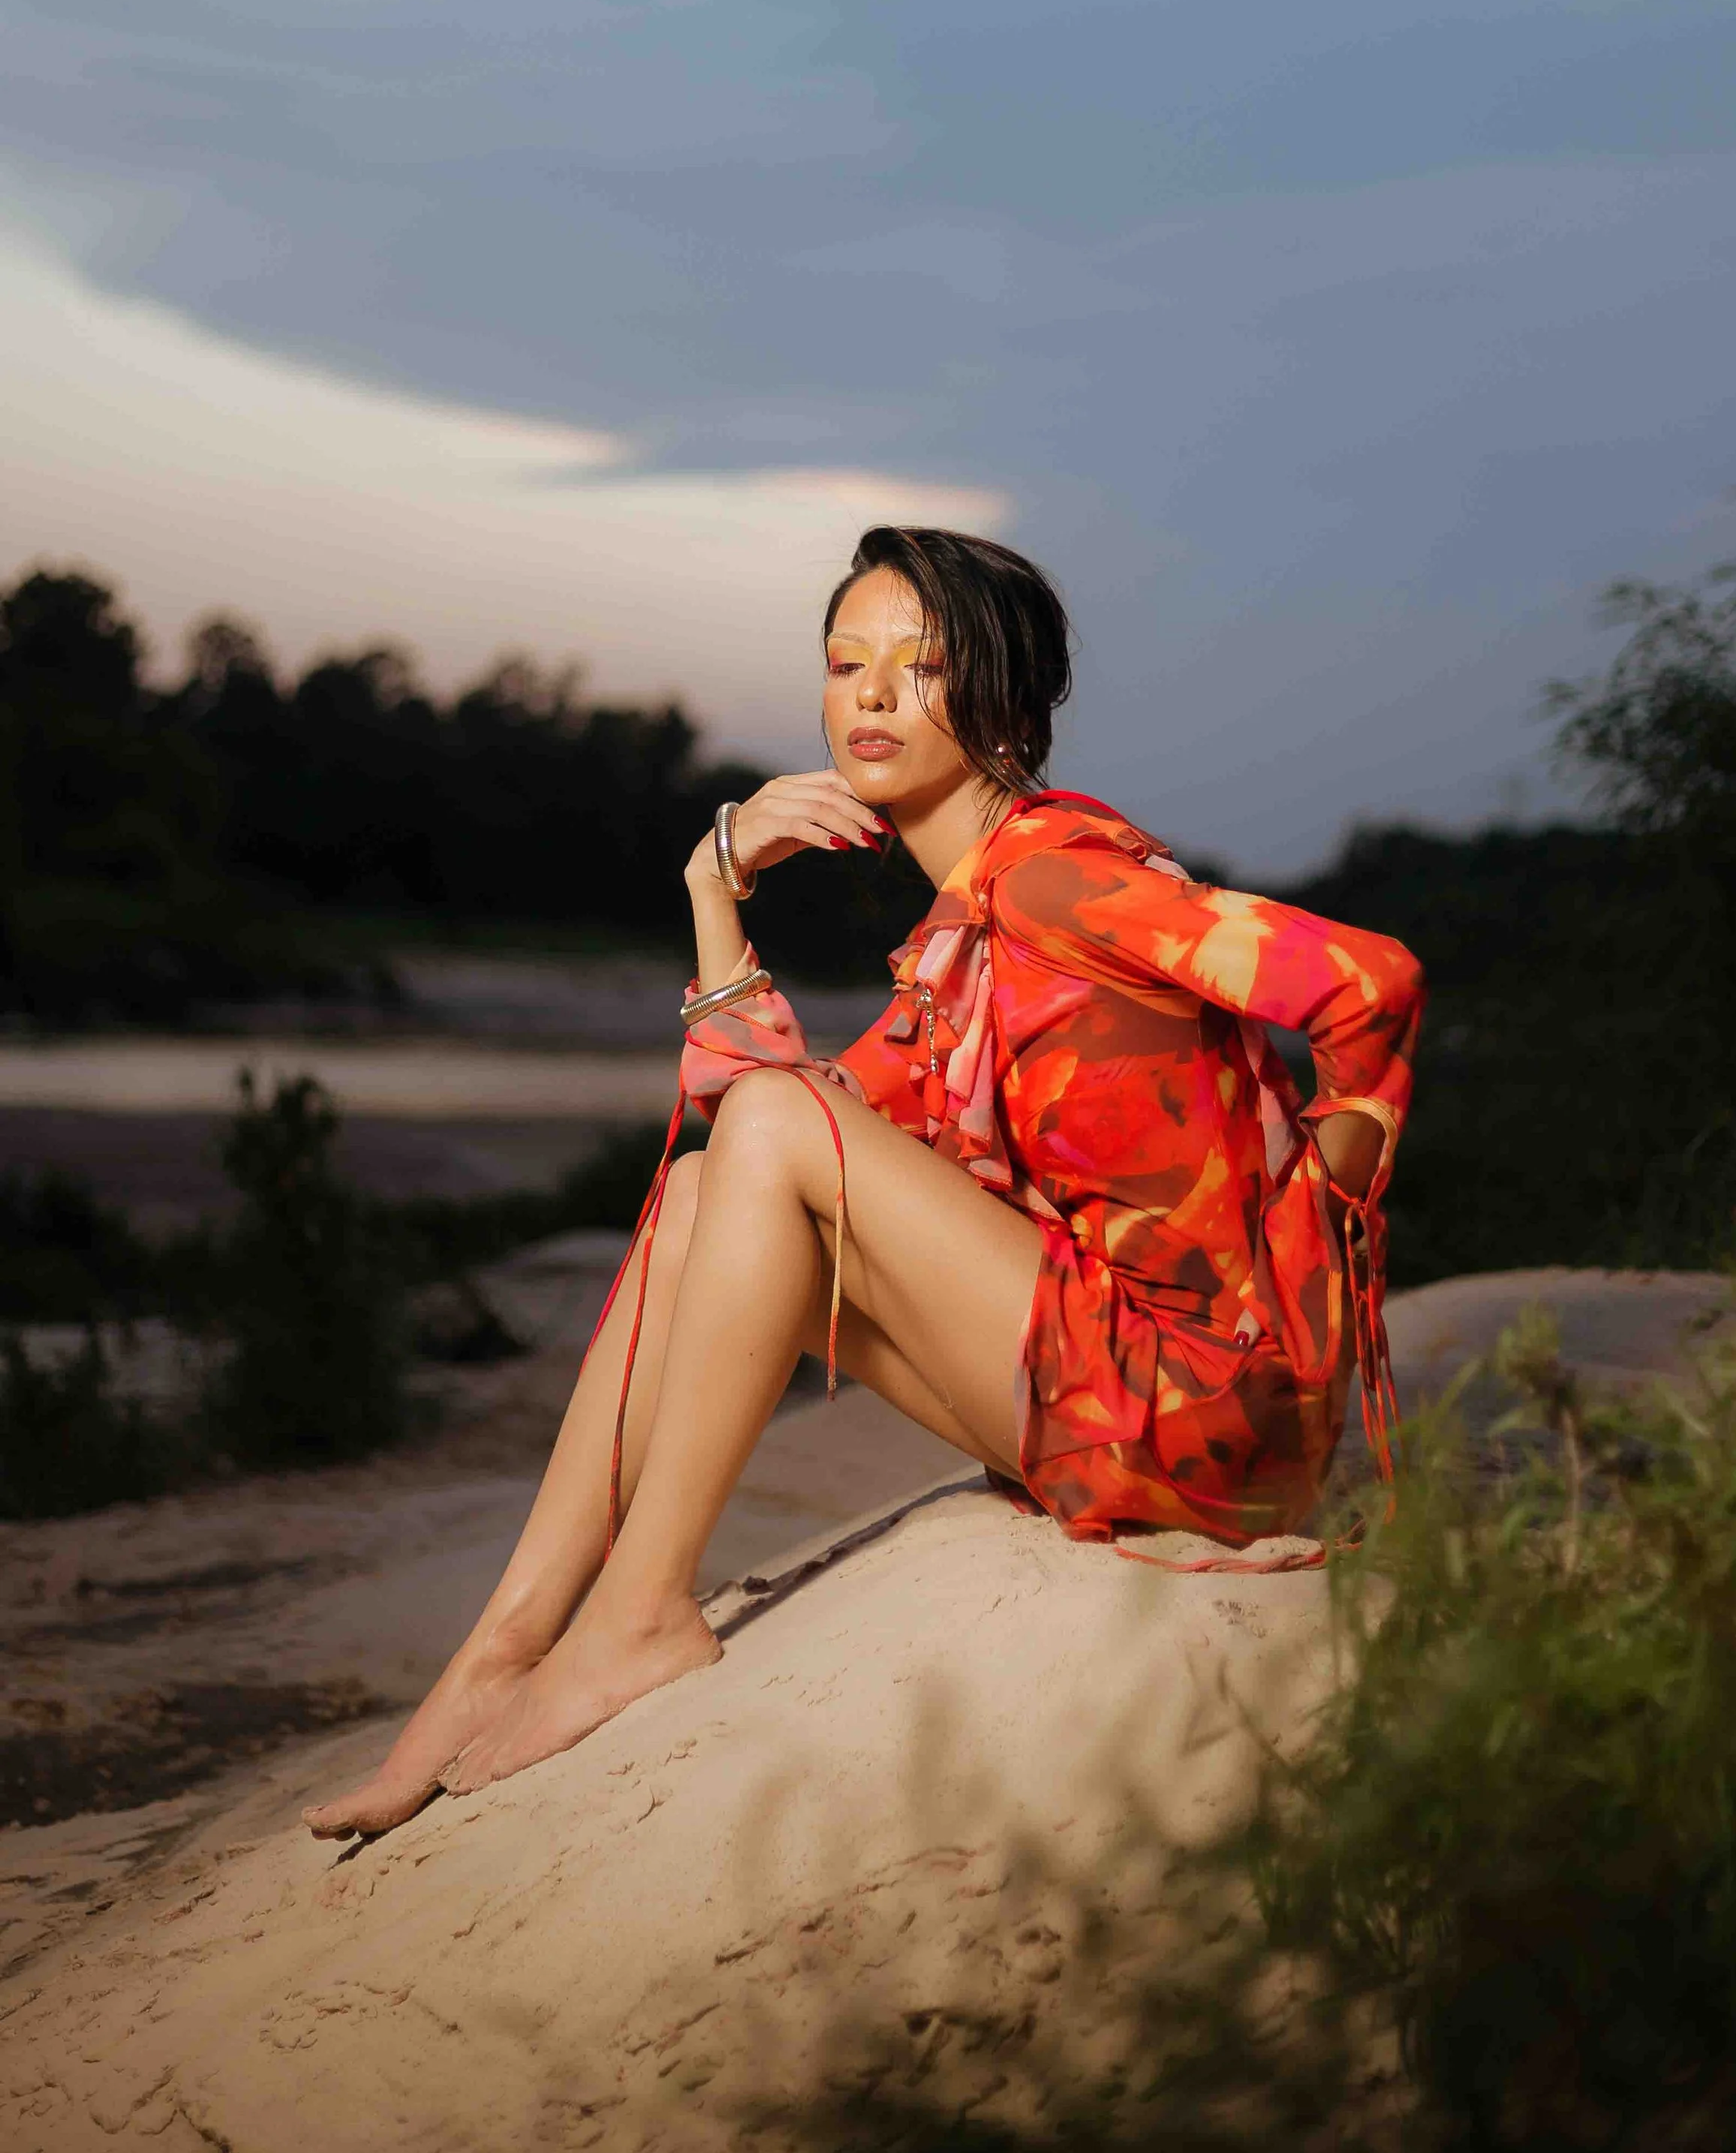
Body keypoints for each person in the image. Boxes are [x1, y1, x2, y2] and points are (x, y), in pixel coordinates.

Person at [305, 527, 1422, 1838]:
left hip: (1209, 1418)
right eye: (848, 663)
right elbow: (759, 1118)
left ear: (1005, 707)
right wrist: (713, 884)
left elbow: (1369, 984)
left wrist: (1311, 1230)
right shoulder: (966, 938)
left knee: (766, 1139)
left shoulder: (1060, 884)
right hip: (1109, 1391)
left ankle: (642, 1612)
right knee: (696, 1201)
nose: (874, 694)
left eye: (923, 666)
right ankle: (501, 1650)